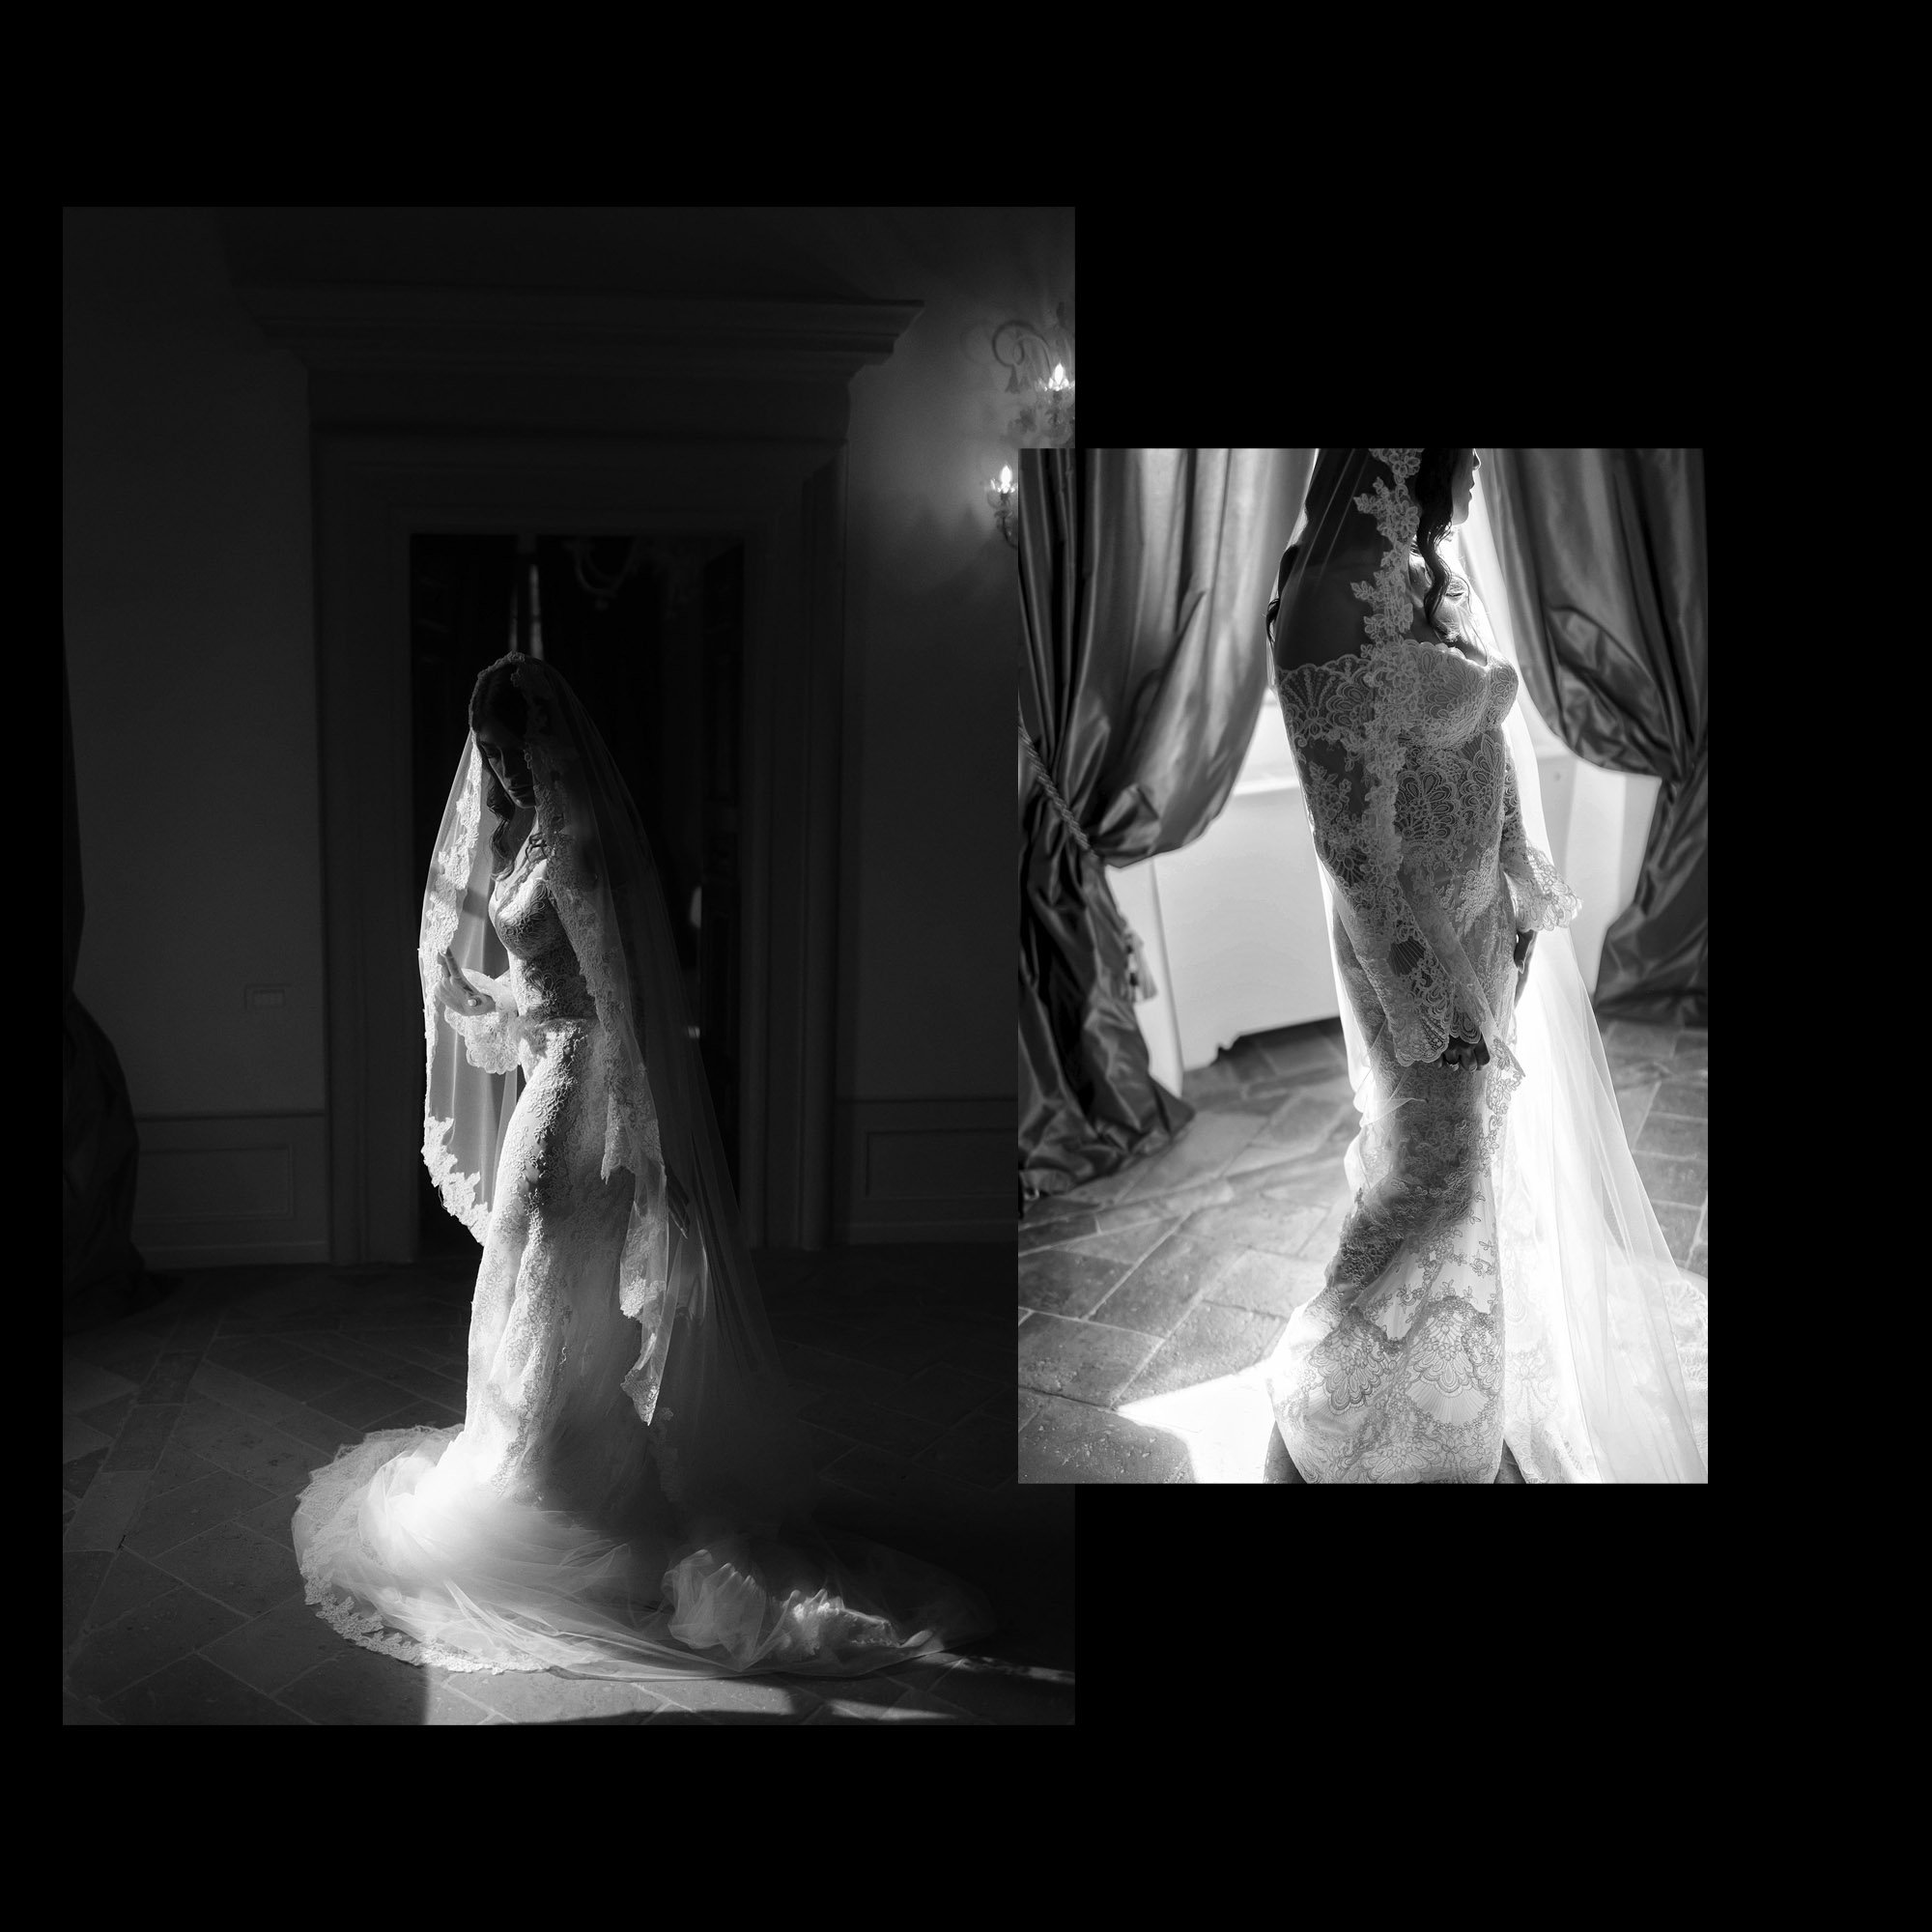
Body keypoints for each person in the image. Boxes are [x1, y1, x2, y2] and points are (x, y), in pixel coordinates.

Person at [292, 651, 994, 1676]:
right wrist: (472, 989)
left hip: (582, 1098)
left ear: (548, 737)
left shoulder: (577, 843)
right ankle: (548, 1471)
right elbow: (550, 985)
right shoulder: (533, 835)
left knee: (553, 1284)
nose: (502, 768)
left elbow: (616, 1010)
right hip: (548, 1075)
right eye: (489, 751)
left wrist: (631, 1143)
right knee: (536, 1291)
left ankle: (565, 1496)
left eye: (512, 746)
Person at [1262, 450, 1706, 1483]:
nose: (1472, 463)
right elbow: (1353, 850)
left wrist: (1518, 890)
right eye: (1461, 444)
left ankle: (1446, 1389)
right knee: (1431, 1170)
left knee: (1470, 1168)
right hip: (1405, 955)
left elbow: (1486, 751)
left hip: (1478, 929)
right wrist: (1431, 1000)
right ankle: (1328, 1384)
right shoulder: (1323, 599)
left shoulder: (1427, 572)